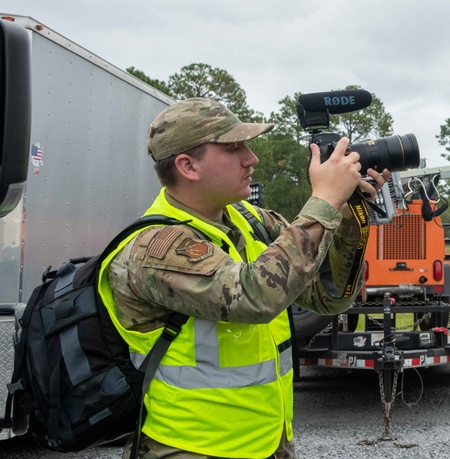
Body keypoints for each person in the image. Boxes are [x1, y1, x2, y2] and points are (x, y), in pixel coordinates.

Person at [99, 97, 388, 458]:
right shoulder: (154, 247)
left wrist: (345, 216)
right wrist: (325, 199)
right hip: (192, 447)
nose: (252, 158)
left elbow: (329, 297)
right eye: (234, 148)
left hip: (267, 442)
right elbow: (255, 296)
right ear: (188, 166)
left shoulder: (249, 220)